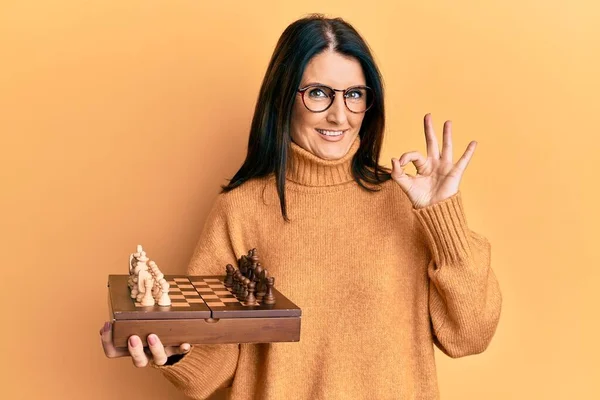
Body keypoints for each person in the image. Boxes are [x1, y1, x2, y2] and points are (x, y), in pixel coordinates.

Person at [101, 14, 502, 400]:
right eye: (318, 93)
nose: (339, 114)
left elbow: (469, 334)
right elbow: (209, 372)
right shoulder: (240, 210)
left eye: (354, 95)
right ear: (284, 98)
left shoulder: (407, 202)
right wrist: (171, 350)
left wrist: (443, 216)